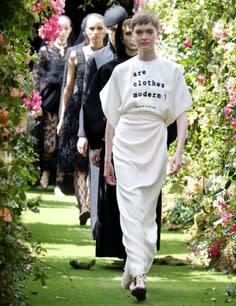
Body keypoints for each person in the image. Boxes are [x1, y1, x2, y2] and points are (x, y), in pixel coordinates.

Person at [100, 11, 192, 301]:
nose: (142, 37)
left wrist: (178, 152)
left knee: (147, 213)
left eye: (148, 31)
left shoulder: (172, 70)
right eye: (137, 32)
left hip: (155, 141)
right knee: (129, 208)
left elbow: (181, 114)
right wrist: (107, 158)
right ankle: (140, 276)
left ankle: (133, 267)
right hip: (126, 141)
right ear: (130, 35)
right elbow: (111, 118)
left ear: (158, 33)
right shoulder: (121, 72)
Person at [84, 16, 136, 259]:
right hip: (114, 142)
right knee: (115, 197)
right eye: (128, 33)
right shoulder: (109, 70)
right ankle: (119, 248)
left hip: (147, 144)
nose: (134, 38)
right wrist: (95, 143)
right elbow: (94, 106)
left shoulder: (161, 69)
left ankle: (139, 249)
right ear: (119, 37)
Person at [78, 5, 129, 237]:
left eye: (122, 29)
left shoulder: (136, 58)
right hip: (101, 131)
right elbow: (87, 100)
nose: (118, 34)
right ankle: (99, 230)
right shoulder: (98, 59)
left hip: (128, 134)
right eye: (114, 30)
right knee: (99, 181)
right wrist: (85, 134)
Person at [57, 13, 106, 225]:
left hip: (101, 112)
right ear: (85, 31)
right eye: (91, 28)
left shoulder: (109, 55)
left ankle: (92, 205)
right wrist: (61, 117)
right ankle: (83, 207)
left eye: (99, 28)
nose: (95, 32)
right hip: (76, 110)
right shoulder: (75, 54)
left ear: (105, 31)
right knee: (79, 162)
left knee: (96, 160)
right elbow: (67, 88)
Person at [32, 15, 72, 193]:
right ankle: (46, 172)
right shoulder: (46, 51)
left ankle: (59, 182)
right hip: (49, 102)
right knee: (50, 144)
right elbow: (36, 77)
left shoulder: (73, 51)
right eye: (58, 28)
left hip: (68, 104)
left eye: (65, 28)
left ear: (70, 30)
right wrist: (36, 102)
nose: (61, 32)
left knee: (64, 143)